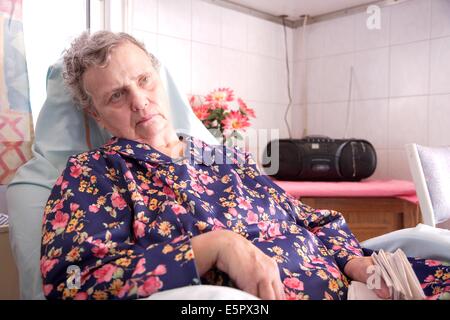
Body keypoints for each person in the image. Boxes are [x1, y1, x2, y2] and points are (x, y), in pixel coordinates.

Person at [40, 31, 449, 300]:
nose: (139, 101)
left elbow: (312, 221)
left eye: (144, 80)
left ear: (159, 79)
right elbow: (73, 282)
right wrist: (213, 247)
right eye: (116, 96)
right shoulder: (93, 174)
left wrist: (356, 263)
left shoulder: (224, 156)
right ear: (95, 115)